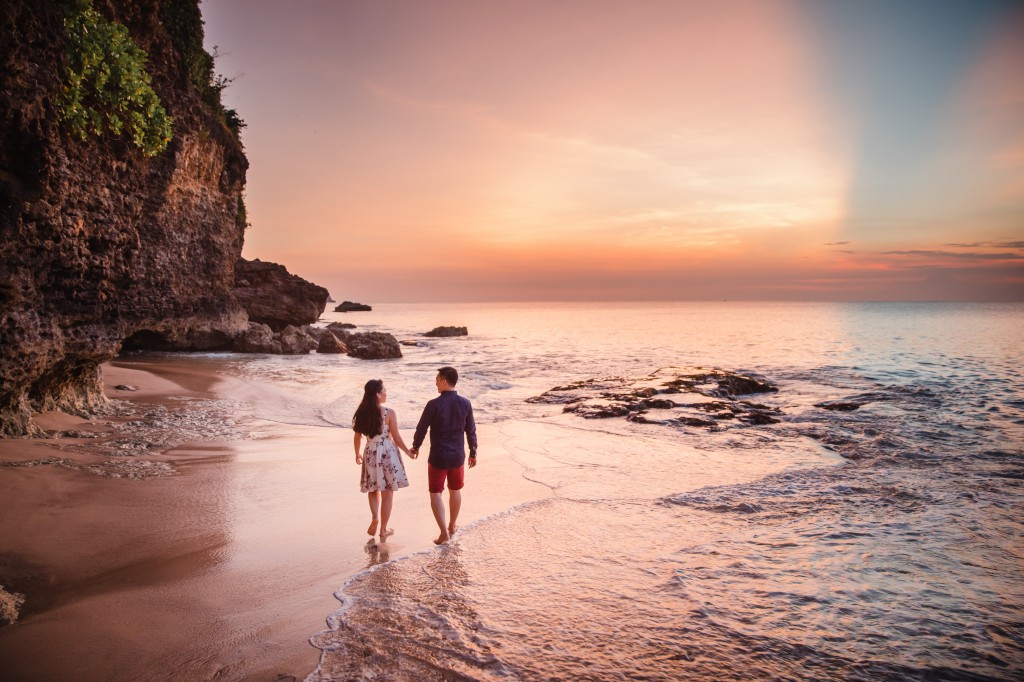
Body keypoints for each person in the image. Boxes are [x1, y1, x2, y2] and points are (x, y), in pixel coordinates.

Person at [410, 366, 477, 545]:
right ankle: (452, 525)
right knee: (455, 490)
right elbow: (471, 430)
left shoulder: (434, 404)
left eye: (438, 380)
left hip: (438, 457)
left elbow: (421, 428)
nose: (436, 383)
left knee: (435, 494)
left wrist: (415, 446)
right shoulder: (465, 403)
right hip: (457, 457)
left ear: (445, 381)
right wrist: (473, 452)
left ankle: (443, 534)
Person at [352, 379, 411, 542]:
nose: (386, 393)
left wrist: (357, 453)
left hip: (370, 451)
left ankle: (375, 517)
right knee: (388, 492)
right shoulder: (388, 412)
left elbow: (357, 436)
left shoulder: (362, 412)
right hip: (387, 451)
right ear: (378, 394)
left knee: (373, 489)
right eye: (384, 390)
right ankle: (383, 529)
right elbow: (396, 437)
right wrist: (408, 452)